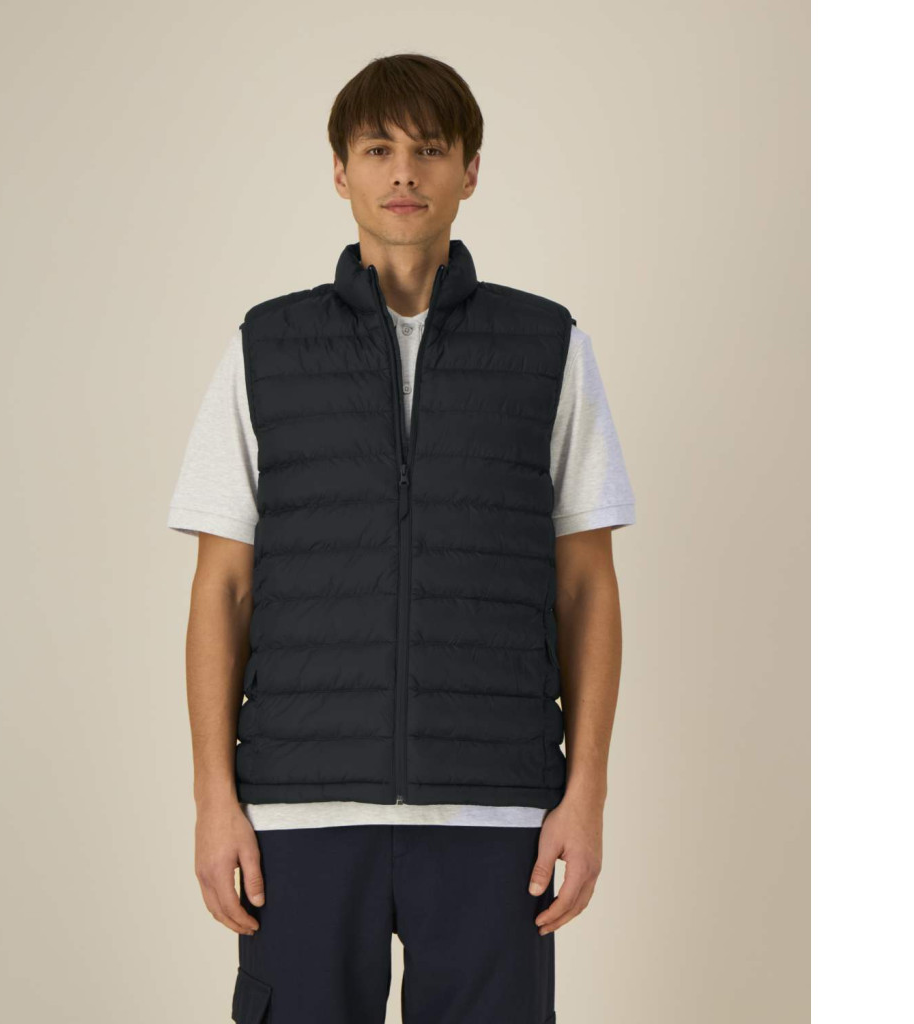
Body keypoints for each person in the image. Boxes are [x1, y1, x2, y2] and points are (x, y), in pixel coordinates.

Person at [167, 53, 635, 1024]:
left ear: (471, 170)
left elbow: (587, 585)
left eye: (430, 149)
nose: (405, 173)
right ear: (340, 171)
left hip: (495, 811)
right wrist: (216, 800)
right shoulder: (265, 348)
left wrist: (583, 794)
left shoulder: (548, 347)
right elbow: (223, 587)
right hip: (300, 811)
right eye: (378, 149)